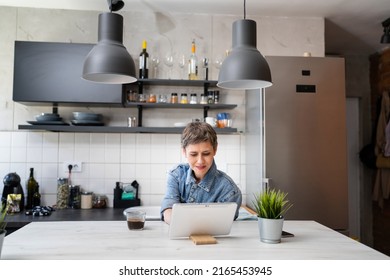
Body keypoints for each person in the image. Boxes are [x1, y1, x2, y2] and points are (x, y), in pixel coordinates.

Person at [160, 121, 242, 224]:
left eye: (206, 154)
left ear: (215, 149)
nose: (200, 161)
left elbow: (222, 225)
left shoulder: (230, 191)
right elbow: (168, 209)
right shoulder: (176, 175)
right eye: (193, 154)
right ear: (184, 152)